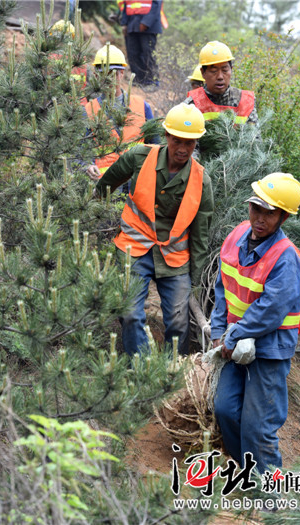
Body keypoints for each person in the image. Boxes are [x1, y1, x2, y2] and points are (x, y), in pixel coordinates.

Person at [211, 173, 300, 474]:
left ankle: (270, 498)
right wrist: (219, 332)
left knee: (258, 427)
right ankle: (247, 474)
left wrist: (232, 336)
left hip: (270, 348)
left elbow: (271, 310)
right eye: (256, 208)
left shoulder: (285, 257)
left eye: (269, 213)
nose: (259, 218)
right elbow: (223, 287)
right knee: (225, 410)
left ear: (283, 217)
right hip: (234, 341)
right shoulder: (236, 237)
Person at [96, 103, 214, 356]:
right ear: (167, 136)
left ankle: (172, 377)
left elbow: (200, 233)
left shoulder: (201, 179)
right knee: (129, 313)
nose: (182, 149)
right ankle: (140, 372)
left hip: (174, 257)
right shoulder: (139, 156)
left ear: (196, 144)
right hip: (134, 245)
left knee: (179, 321)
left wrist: (195, 279)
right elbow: (104, 186)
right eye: (177, 141)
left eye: (189, 143)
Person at [85, 44, 154, 180]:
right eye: (103, 74)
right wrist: (87, 164)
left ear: (121, 73)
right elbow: (81, 149)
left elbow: (155, 144)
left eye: (113, 74)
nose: (108, 79)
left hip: (137, 179)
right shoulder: (88, 110)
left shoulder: (142, 106)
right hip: (105, 183)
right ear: (96, 76)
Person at [185, 41, 259, 125]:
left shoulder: (245, 101)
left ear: (231, 69)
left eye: (225, 70)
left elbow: (254, 136)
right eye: (213, 71)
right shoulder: (192, 104)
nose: (220, 76)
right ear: (203, 73)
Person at [120, 0, 163, 88]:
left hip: (148, 27)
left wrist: (146, 22)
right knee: (132, 54)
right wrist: (124, 23)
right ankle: (138, 80)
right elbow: (126, 5)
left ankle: (152, 80)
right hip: (131, 25)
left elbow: (156, 6)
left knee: (148, 53)